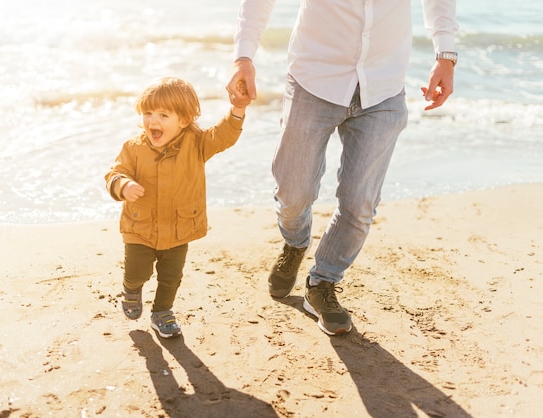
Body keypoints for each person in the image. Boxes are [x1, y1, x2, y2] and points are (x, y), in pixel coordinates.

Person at [226, 0, 458, 336]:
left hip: (383, 88)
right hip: (313, 79)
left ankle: (322, 282)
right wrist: (243, 57)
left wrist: (445, 55)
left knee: (359, 203)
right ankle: (295, 242)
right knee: (293, 193)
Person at [105, 77, 250, 338]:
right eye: (148, 113)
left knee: (171, 277)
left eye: (163, 114)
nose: (153, 121)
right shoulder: (134, 147)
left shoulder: (196, 144)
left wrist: (238, 109)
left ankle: (162, 312)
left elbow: (223, 135)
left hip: (179, 228)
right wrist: (124, 185)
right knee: (138, 271)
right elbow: (115, 173)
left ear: (183, 120)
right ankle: (131, 288)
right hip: (140, 227)